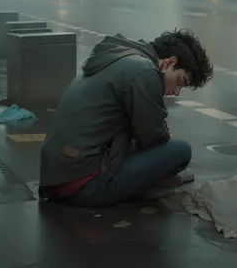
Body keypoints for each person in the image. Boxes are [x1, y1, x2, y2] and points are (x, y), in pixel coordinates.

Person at [38, 29, 213, 207]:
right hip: (84, 185)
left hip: (57, 176)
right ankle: (145, 186)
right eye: (180, 81)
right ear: (170, 62)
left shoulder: (117, 54)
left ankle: (145, 184)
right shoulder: (144, 71)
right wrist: (165, 138)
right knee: (180, 150)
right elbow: (153, 138)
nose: (176, 92)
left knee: (148, 144)